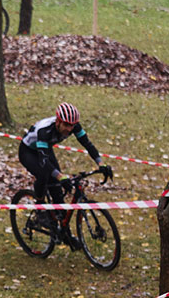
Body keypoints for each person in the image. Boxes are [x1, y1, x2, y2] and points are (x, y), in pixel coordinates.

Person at [18, 102, 113, 247]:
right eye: (67, 125)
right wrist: (60, 176)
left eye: (72, 126)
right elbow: (43, 161)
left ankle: (65, 235)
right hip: (28, 152)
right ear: (58, 121)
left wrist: (101, 164)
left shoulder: (74, 126)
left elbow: (87, 144)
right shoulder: (45, 131)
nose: (69, 129)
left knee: (57, 194)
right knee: (44, 175)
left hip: (45, 149)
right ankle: (40, 207)